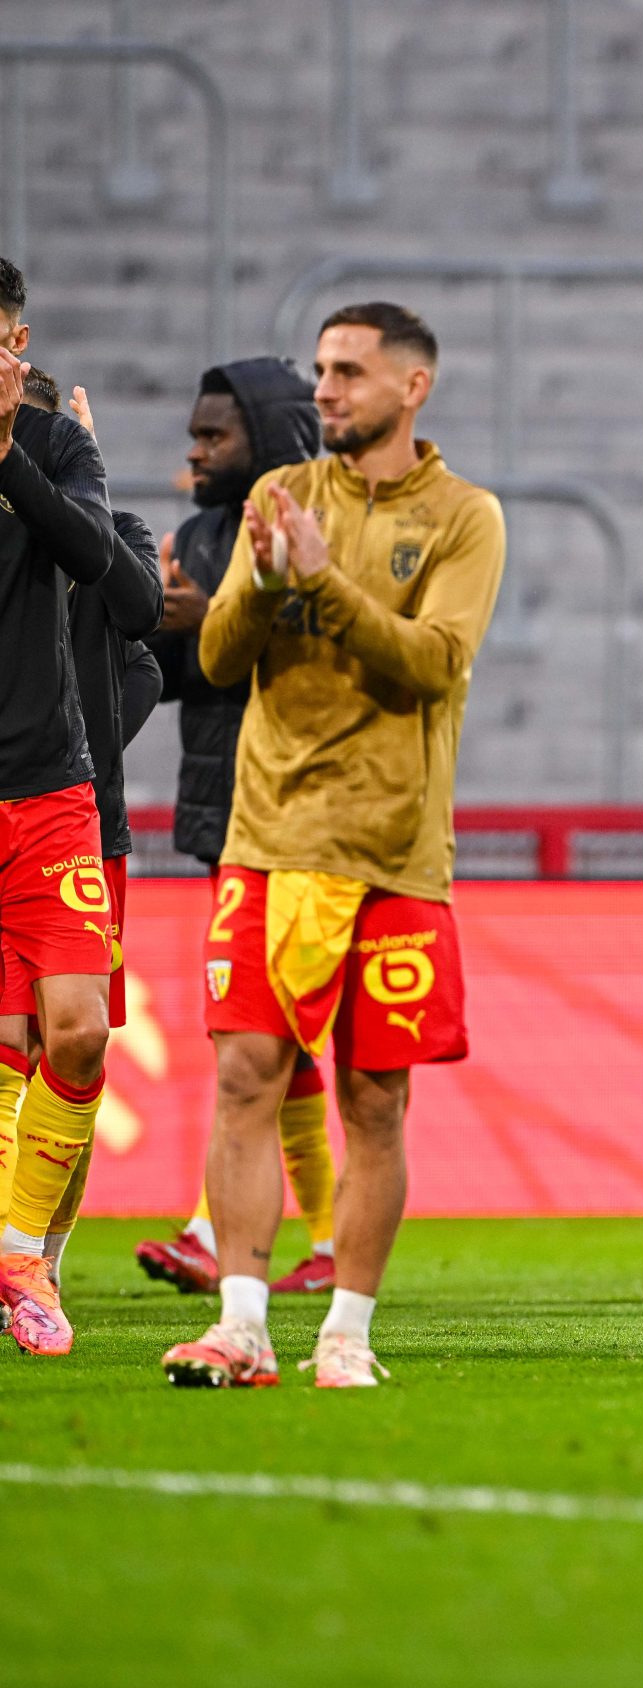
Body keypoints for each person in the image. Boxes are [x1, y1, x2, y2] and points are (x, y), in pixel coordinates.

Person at [161, 302, 506, 1389]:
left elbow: (434, 663)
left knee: (373, 1101)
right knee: (244, 1078)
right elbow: (215, 662)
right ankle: (243, 1324)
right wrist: (262, 580)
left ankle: (347, 1331)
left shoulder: (465, 517)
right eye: (320, 369)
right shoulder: (278, 496)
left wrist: (318, 581)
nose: (326, 389)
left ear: (413, 388)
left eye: (350, 372)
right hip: (267, 843)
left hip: (393, 855)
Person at [130, 358, 338, 1300]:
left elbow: (317, 650)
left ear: (270, 434)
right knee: (266, 1034)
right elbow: (187, 680)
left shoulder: (313, 525)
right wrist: (160, 630)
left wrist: (209, 615)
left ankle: (217, 1228)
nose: (195, 449)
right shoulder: (203, 535)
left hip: (306, 811)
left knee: (266, 1035)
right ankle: (315, 1237)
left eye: (215, 434)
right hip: (225, 814)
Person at [0, 371, 160, 1290]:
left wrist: (94, 754)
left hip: (79, 817)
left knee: (70, 1038)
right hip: (27, 789)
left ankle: (44, 1256)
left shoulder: (97, 525)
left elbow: (142, 642)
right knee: (10, 1040)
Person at [0, 260, 122, 1357]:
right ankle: (20, 1260)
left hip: (47, 782)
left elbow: (94, 557)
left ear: (17, 345)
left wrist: (6, 460)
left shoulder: (52, 446)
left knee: (76, 1029)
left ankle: (20, 1248)